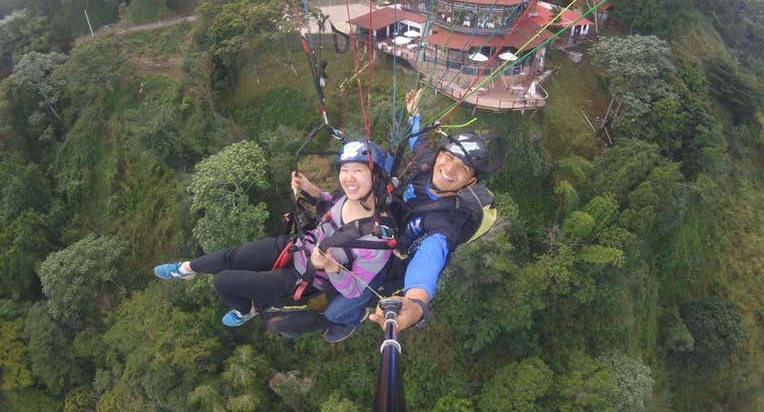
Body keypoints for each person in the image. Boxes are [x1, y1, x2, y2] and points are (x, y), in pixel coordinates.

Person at [153, 140, 393, 343]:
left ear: (376, 177)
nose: (348, 178)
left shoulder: (377, 240)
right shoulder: (346, 197)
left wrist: (331, 267)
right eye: (344, 170)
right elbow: (330, 203)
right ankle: (186, 269)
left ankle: (247, 310)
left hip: (302, 278)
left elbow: (355, 290)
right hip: (296, 246)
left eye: (358, 171)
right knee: (233, 256)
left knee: (223, 281)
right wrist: (312, 191)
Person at [368, 89, 504, 332]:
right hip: (387, 219)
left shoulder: (446, 222)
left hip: (393, 259)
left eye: (462, 168)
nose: (449, 169)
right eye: (448, 157)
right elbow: (417, 141)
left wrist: (416, 304)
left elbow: (431, 256)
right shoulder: (429, 163)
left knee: (345, 304)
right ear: (440, 154)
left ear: (470, 183)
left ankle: (344, 318)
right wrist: (414, 115)